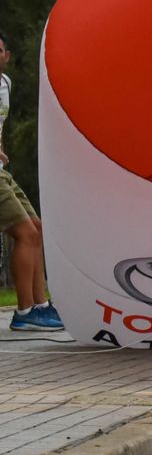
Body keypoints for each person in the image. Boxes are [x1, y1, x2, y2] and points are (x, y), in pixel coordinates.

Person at [0, 31, 62, 332]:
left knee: (37, 229)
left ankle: (41, 306)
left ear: (6, 56)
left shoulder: (6, 84)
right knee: (25, 234)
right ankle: (24, 311)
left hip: (1, 170)